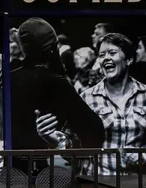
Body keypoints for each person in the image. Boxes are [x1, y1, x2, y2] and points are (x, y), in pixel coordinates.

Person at [10, 18, 105, 152]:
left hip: (10, 162)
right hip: (45, 162)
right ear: (53, 46)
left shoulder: (9, 78)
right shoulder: (56, 82)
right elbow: (94, 130)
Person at [80, 32, 146, 173]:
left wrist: (142, 154)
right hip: (99, 179)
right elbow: (72, 140)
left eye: (112, 53)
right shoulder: (87, 97)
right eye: (102, 55)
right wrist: (54, 138)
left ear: (129, 59)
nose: (106, 58)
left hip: (136, 180)